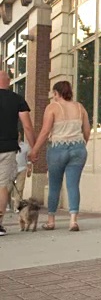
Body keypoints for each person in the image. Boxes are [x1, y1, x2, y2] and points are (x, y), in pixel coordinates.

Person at [29, 81, 91, 232]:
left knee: (54, 185)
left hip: (57, 149)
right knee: (73, 185)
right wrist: (81, 144)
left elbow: (45, 132)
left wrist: (35, 150)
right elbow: (87, 130)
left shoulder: (52, 108)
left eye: (53, 93)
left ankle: (51, 221)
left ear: (56, 93)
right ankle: (73, 220)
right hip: (78, 148)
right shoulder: (80, 107)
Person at [0, 70, 35, 236]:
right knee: (2, 187)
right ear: (9, 81)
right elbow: (27, 126)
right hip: (7, 149)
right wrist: (33, 149)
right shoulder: (17, 99)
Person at [11, 128, 32, 211]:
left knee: (19, 188)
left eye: (19, 135)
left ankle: (17, 207)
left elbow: (28, 159)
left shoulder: (25, 146)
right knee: (8, 188)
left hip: (22, 169)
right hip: (11, 169)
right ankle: (7, 204)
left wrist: (29, 169)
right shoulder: (9, 146)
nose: (17, 137)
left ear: (20, 136)